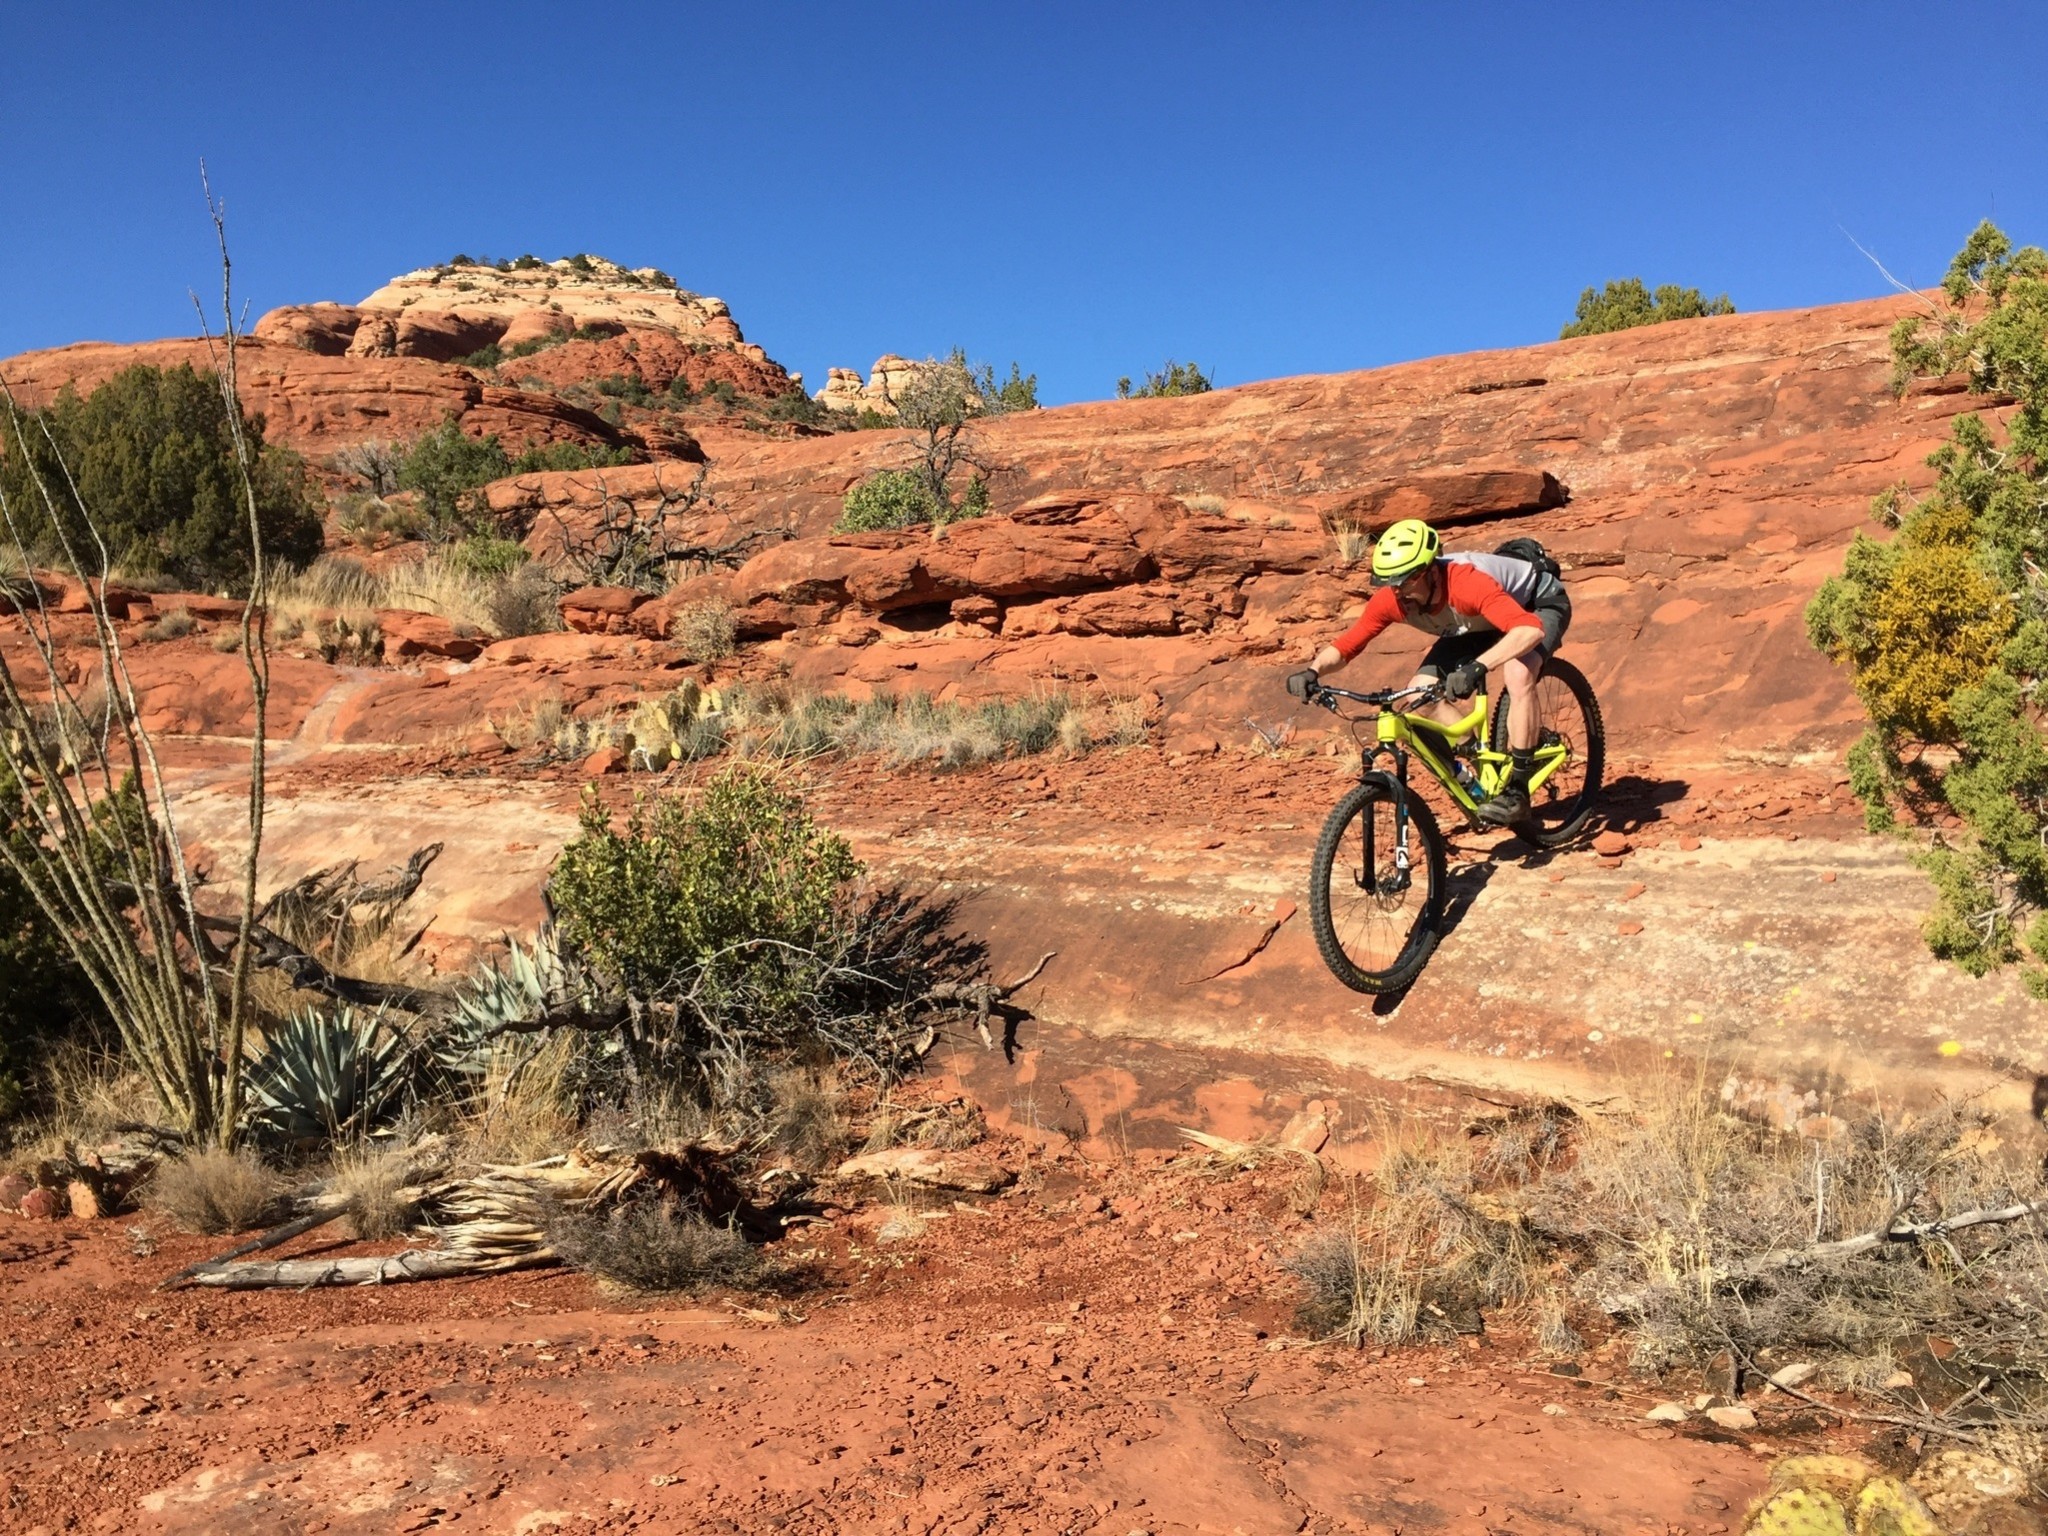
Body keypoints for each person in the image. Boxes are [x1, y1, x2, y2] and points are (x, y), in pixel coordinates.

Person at [1285, 519, 1572, 825]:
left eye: (1405, 581)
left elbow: (1529, 631)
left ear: (1430, 571)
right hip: (1477, 622)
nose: (1398, 590)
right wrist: (1313, 671)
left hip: (1534, 605)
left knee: (1518, 672)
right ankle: (1480, 765)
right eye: (1389, 582)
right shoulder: (1394, 599)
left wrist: (1478, 667)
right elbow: (1347, 646)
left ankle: (1517, 791)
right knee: (1420, 695)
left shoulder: (1466, 584)